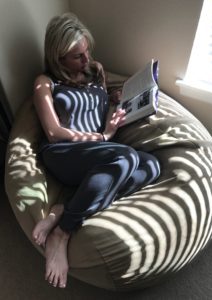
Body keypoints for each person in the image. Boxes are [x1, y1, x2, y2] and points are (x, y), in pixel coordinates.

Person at [32, 12, 160, 289]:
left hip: (99, 150)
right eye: (78, 56)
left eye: (87, 51)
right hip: (64, 153)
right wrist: (103, 135)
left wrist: (114, 102)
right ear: (58, 57)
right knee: (126, 156)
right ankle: (63, 233)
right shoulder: (45, 82)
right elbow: (54, 133)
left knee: (151, 165)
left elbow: (99, 111)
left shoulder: (95, 71)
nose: (86, 60)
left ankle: (65, 208)